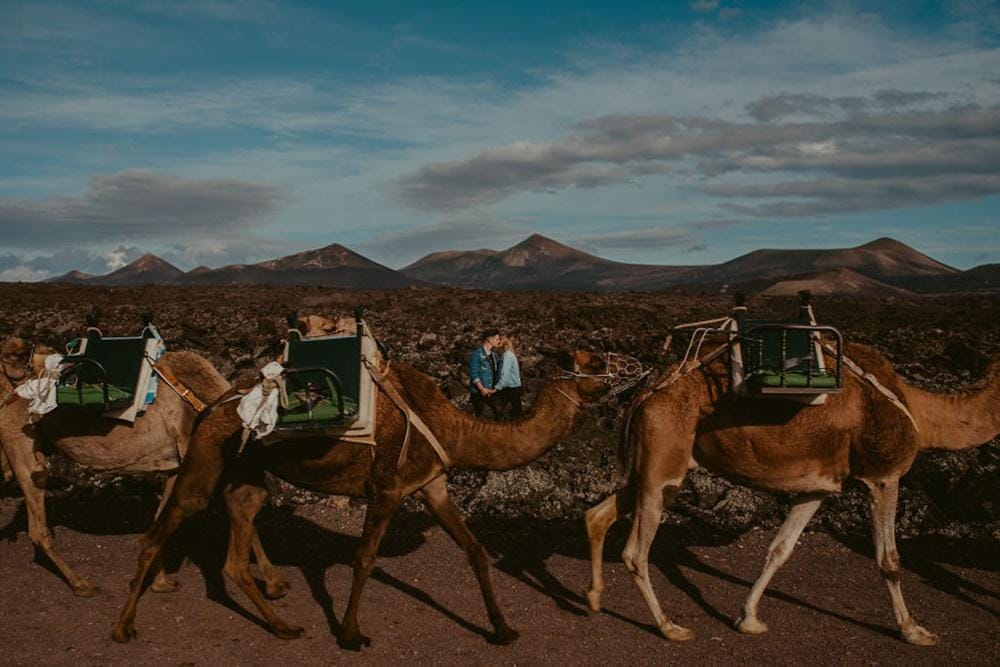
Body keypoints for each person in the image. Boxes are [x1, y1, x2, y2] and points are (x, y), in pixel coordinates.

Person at [469, 328, 501, 418]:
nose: (499, 341)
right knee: (479, 416)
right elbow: (474, 373)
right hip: (478, 392)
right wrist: (482, 388)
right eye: (497, 339)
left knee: (496, 415)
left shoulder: (494, 355)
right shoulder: (476, 354)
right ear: (489, 339)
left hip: (491, 391)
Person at [493, 334, 523, 420]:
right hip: (512, 387)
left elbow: (504, 374)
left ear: (505, 341)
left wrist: (497, 387)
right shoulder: (507, 354)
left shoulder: (508, 355)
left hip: (510, 388)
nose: (498, 341)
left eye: (500, 339)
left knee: (515, 414)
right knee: (517, 412)